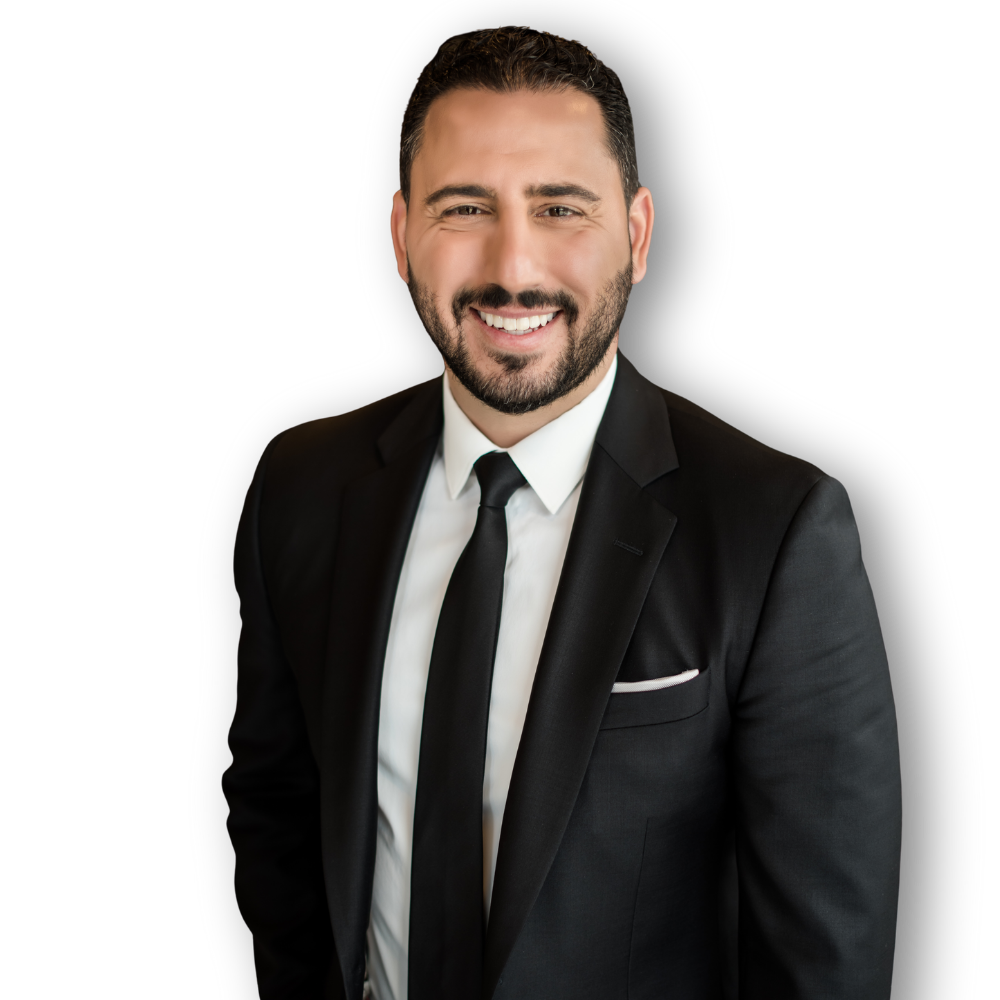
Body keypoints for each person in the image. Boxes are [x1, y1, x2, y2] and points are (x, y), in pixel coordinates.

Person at [224, 26, 901, 1000]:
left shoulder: (778, 530)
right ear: (402, 235)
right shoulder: (300, 486)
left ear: (637, 234)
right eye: (465, 208)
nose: (514, 265)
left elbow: (825, 962)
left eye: (560, 208)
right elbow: (275, 815)